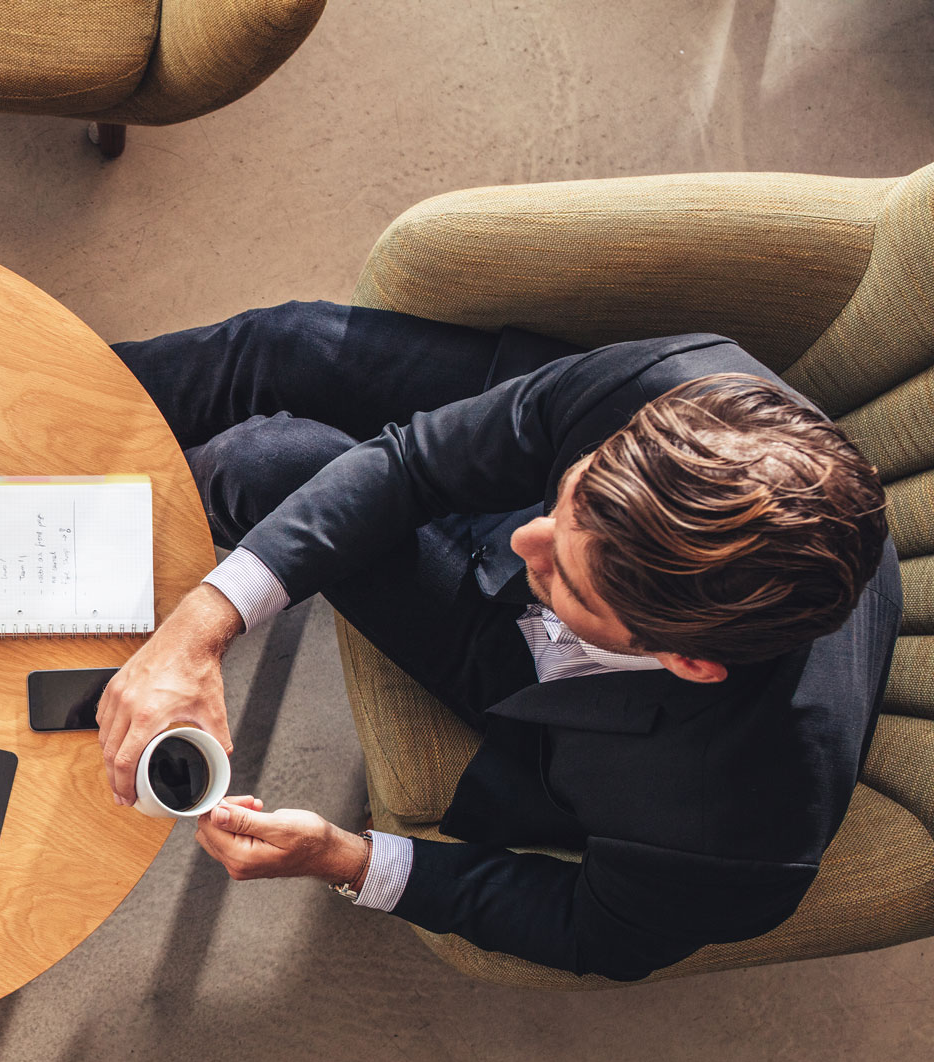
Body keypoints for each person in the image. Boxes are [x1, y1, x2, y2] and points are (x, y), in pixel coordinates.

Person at [102, 301, 899, 982]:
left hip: (541, 696)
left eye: (567, 579)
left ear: (688, 661)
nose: (526, 541)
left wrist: (345, 859)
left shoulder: (742, 828)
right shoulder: (682, 392)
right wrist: (197, 632)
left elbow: (593, 931)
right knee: (288, 346)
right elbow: (417, 464)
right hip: (606, 507)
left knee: (265, 463)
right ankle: (41, 417)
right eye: (569, 496)